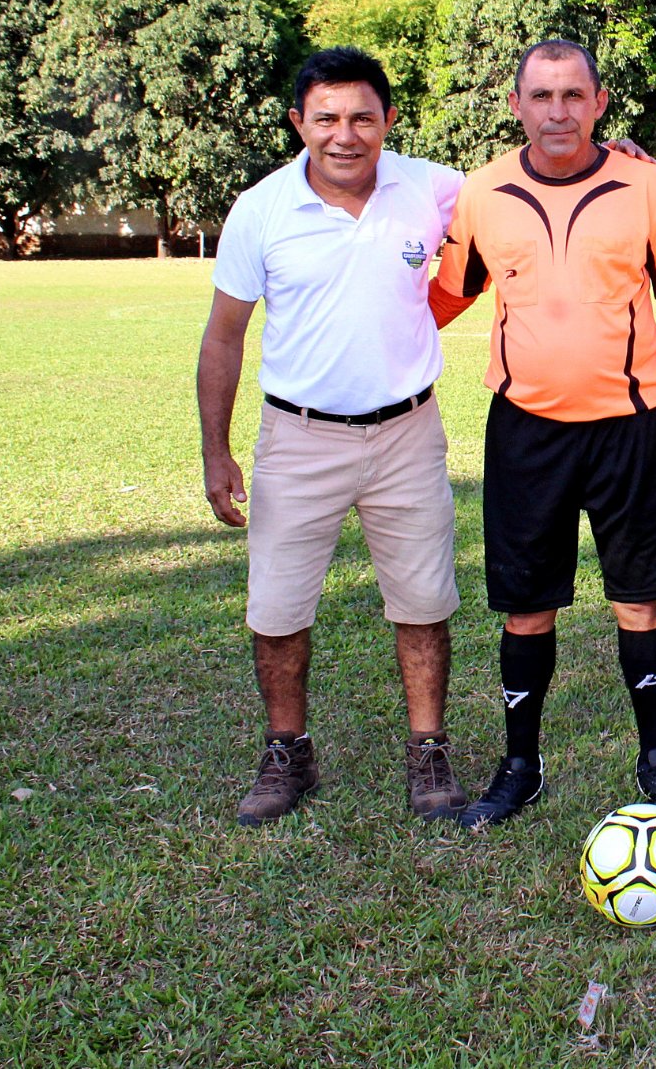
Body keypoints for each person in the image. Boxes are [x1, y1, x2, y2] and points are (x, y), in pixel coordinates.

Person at [431, 39, 656, 827]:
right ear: (516, 103)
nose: (557, 111)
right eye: (541, 96)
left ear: (599, 103)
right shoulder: (485, 192)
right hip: (525, 428)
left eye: (572, 96)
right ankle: (520, 765)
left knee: (642, 602)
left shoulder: (646, 184)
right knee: (526, 609)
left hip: (630, 427)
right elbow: (446, 296)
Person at [198, 46, 470, 827]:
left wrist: (605, 153)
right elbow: (223, 338)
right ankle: (288, 749)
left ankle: (429, 750)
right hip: (299, 436)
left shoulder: (430, 186)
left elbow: (522, 183)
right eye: (326, 117)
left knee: (422, 600)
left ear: (387, 120)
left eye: (362, 116)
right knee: (278, 608)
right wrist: (216, 451)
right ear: (298, 123)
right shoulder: (261, 208)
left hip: (407, 432)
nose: (344, 134)